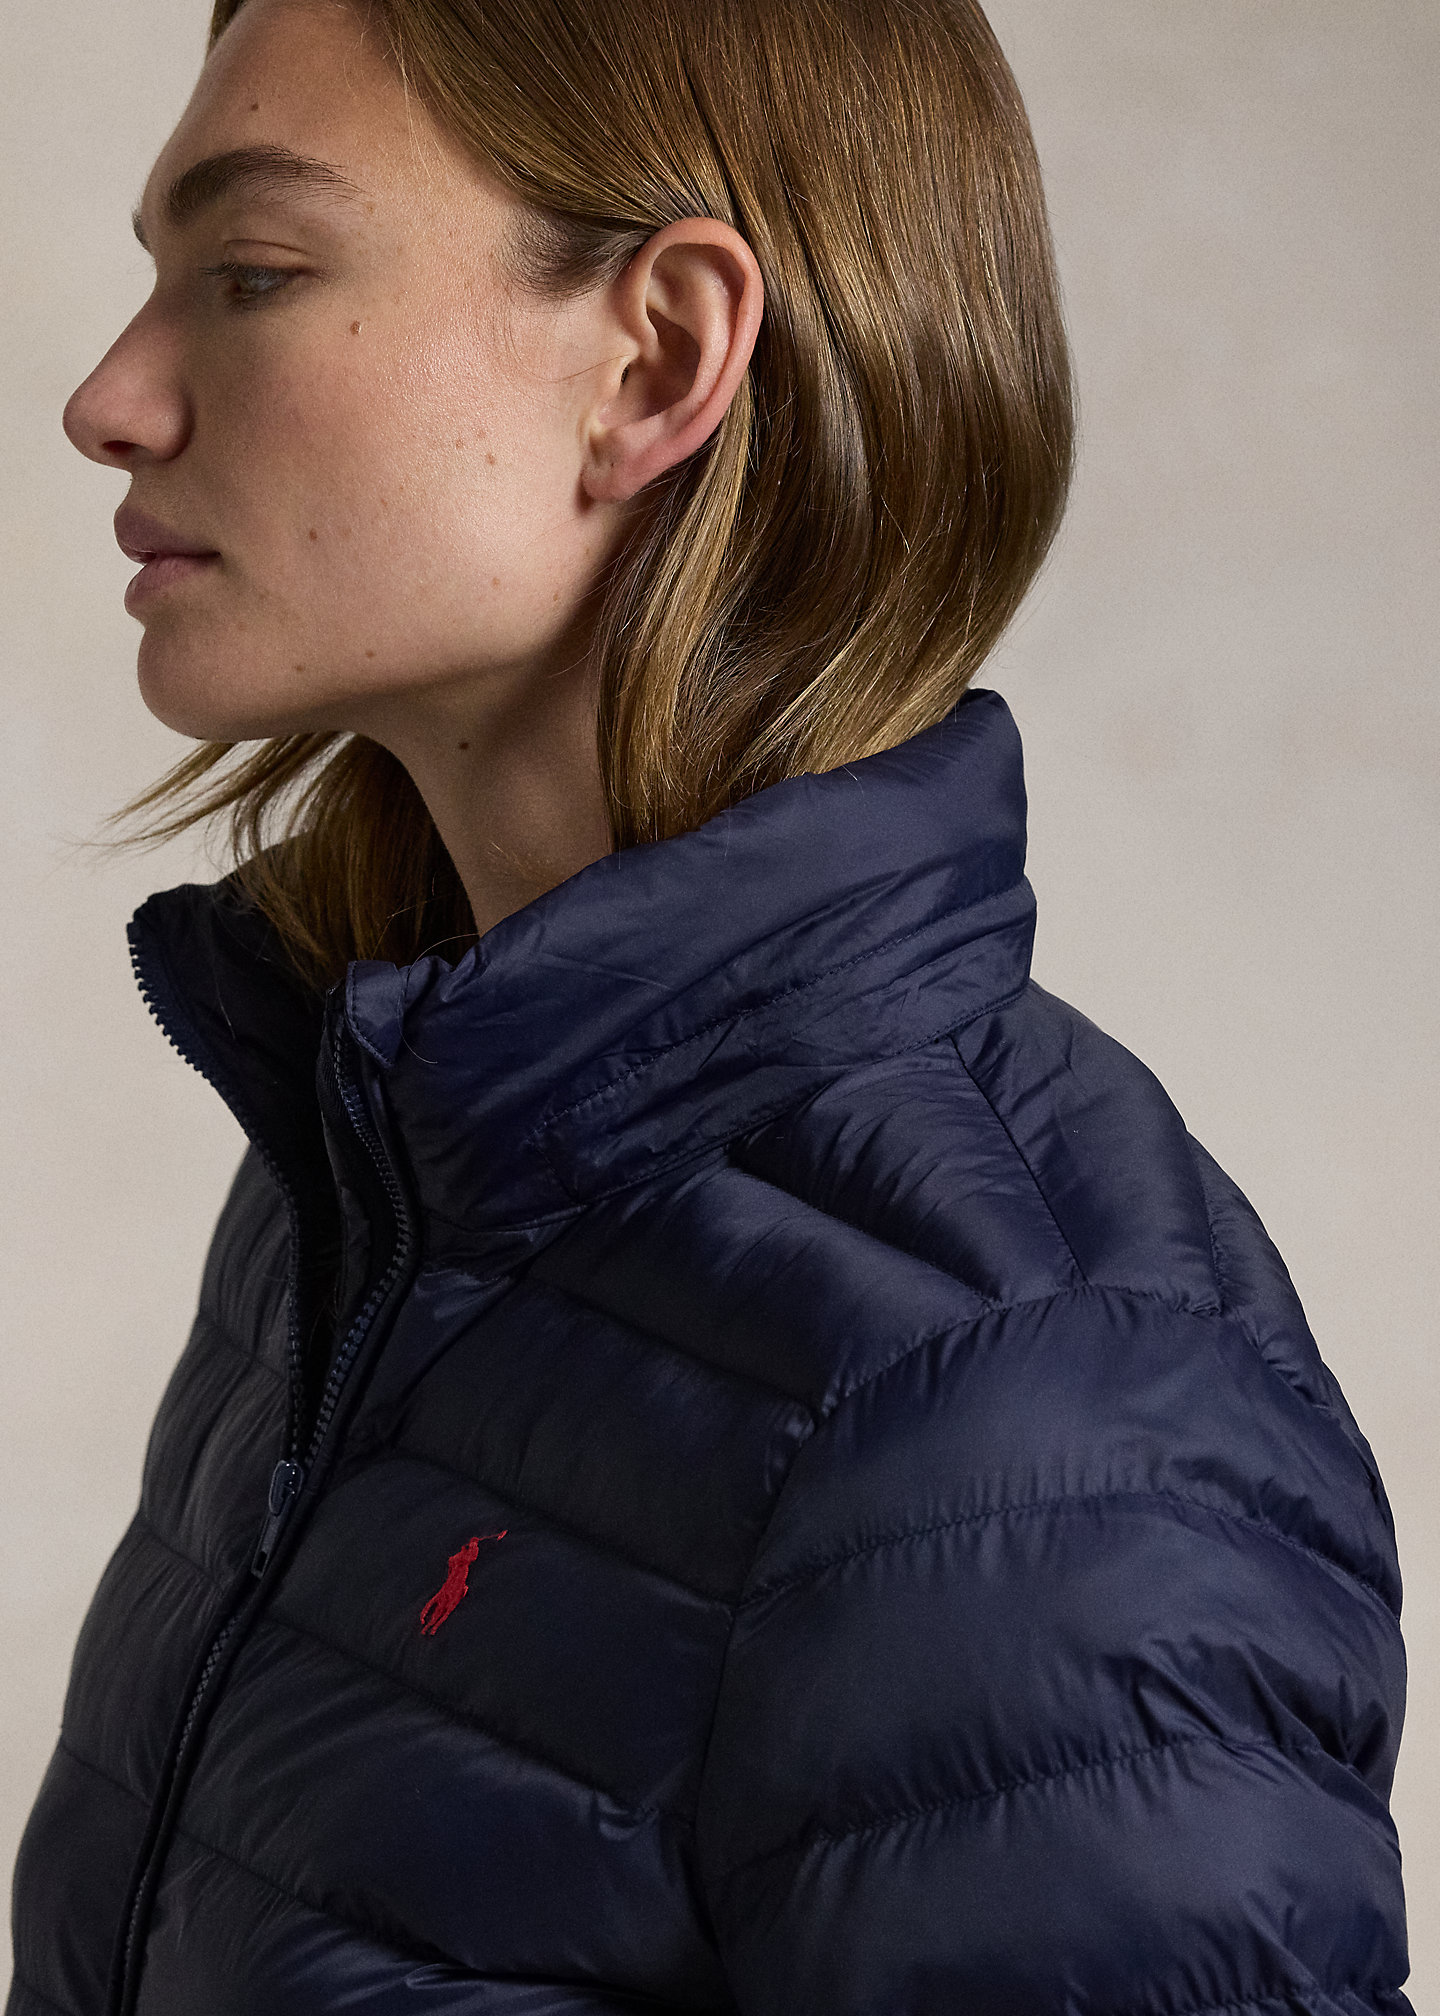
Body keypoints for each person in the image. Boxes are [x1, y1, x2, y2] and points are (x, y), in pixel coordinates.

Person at [9, 0, 1413, 2010]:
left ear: (658, 359)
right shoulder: (386, 1165)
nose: (112, 399)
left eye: (251, 272)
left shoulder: (1019, 1409)